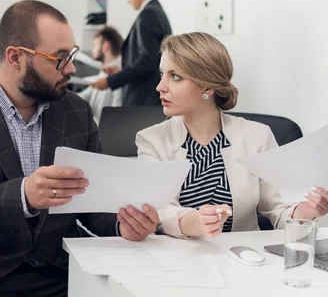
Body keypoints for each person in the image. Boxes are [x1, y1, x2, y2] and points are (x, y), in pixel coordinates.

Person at [0, 0, 159, 297]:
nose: (70, 68)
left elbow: (94, 205)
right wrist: (23, 195)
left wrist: (124, 224)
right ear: (16, 57)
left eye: (71, 55)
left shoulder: (75, 111)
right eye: (58, 58)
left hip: (57, 271)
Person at [136, 32, 328, 239]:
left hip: (243, 259)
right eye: (162, 74)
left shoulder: (257, 136)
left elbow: (280, 210)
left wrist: (306, 213)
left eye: (175, 77)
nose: (160, 87)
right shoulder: (151, 140)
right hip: (176, 261)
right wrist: (196, 222)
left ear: (208, 86)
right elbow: (159, 211)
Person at [90, 0, 172, 106]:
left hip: (144, 100)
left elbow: (147, 63)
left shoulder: (148, 15)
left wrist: (110, 81)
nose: (128, 0)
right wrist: (123, 69)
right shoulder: (158, 11)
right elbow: (152, 58)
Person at [77, 26, 123, 124]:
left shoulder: (118, 73)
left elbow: (116, 112)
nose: (92, 50)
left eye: (95, 45)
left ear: (105, 46)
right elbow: (86, 95)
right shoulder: (104, 71)